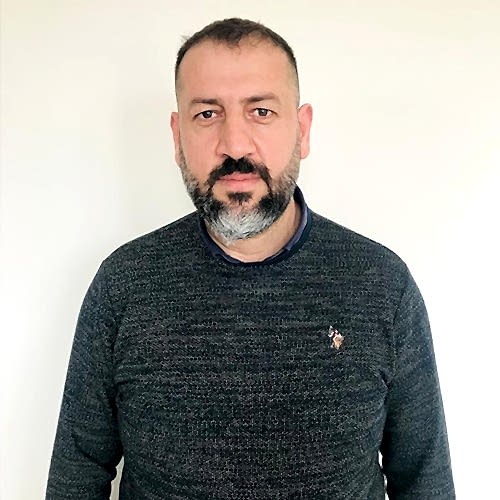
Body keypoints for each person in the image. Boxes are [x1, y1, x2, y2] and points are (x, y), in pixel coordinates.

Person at [46, 18, 455, 499]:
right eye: (207, 114)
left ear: (302, 130)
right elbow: (77, 475)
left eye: (261, 111)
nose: (235, 145)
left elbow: (424, 480)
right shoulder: (124, 284)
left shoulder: (383, 285)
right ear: (177, 137)